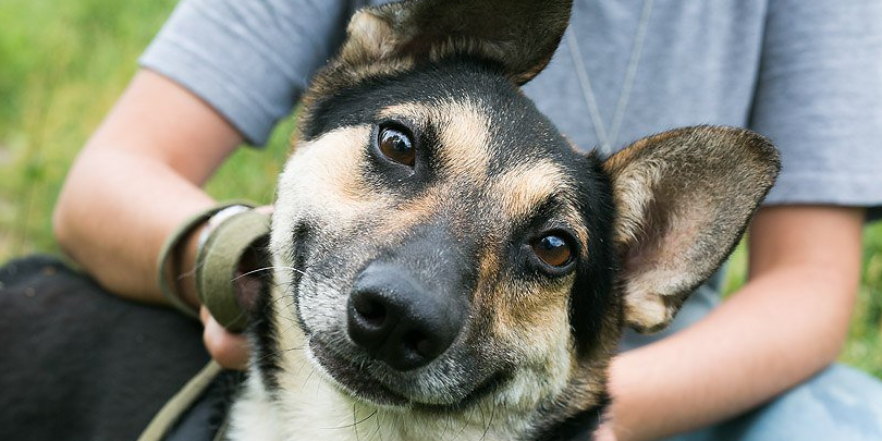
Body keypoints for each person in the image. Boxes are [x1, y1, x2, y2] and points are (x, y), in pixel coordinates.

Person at [52, 0, 882, 440]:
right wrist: (242, 260)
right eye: (399, 147)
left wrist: (573, 423)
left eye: (550, 246)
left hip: (657, 389)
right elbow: (106, 182)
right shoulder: (410, 43)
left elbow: (809, 287)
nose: (414, 298)